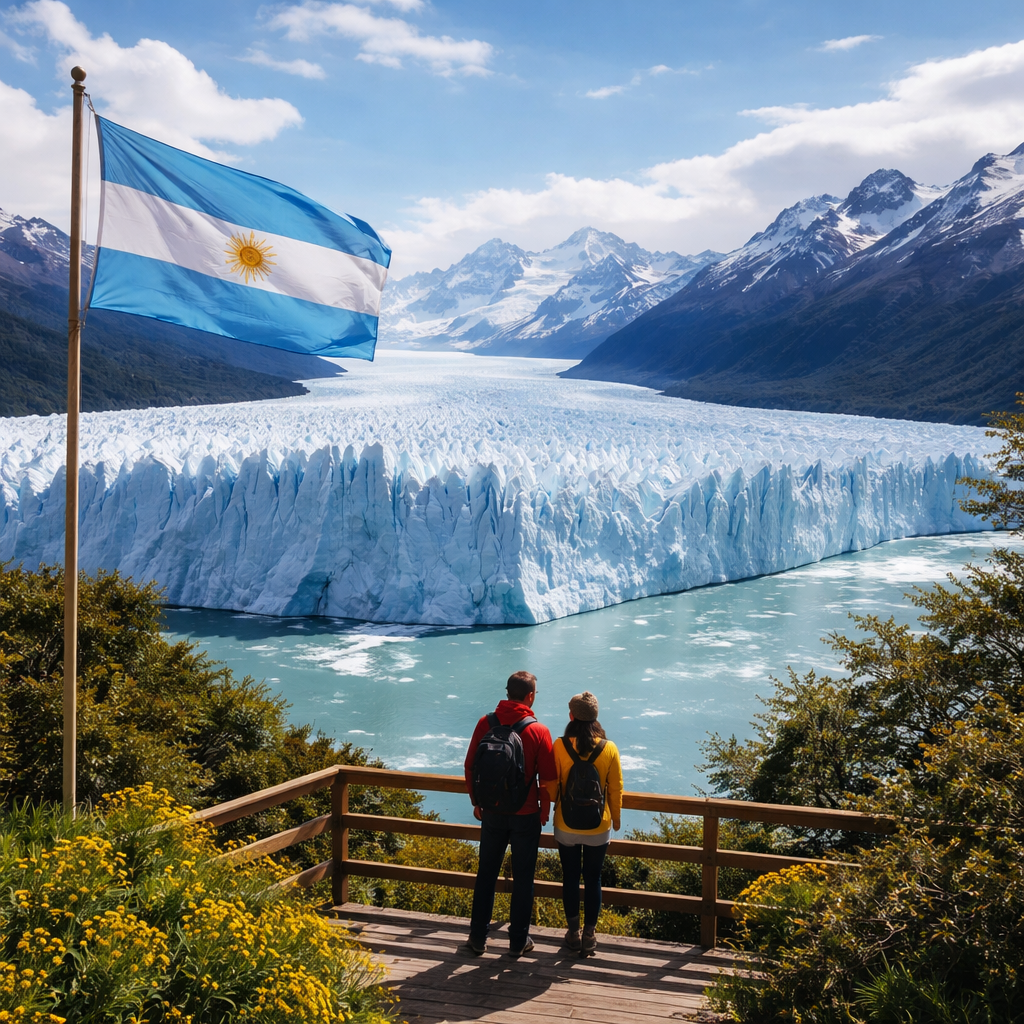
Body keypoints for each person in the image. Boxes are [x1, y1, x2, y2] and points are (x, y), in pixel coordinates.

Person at [463, 670, 556, 957]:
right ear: (529, 697)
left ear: (507, 693)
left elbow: (470, 765)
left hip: (491, 812)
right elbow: (548, 779)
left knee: (486, 874)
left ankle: (478, 937)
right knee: (524, 879)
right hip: (525, 815)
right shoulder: (538, 730)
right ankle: (518, 941)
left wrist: (476, 801)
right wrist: (544, 812)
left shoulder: (485, 722)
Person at [547, 690, 623, 956]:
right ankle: (590, 935)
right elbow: (615, 788)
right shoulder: (609, 747)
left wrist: (550, 808)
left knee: (570, 877)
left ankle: (572, 933)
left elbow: (551, 784)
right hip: (598, 826)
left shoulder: (560, 745)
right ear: (596, 717)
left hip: (565, 825)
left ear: (571, 716)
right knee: (593, 878)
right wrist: (616, 818)